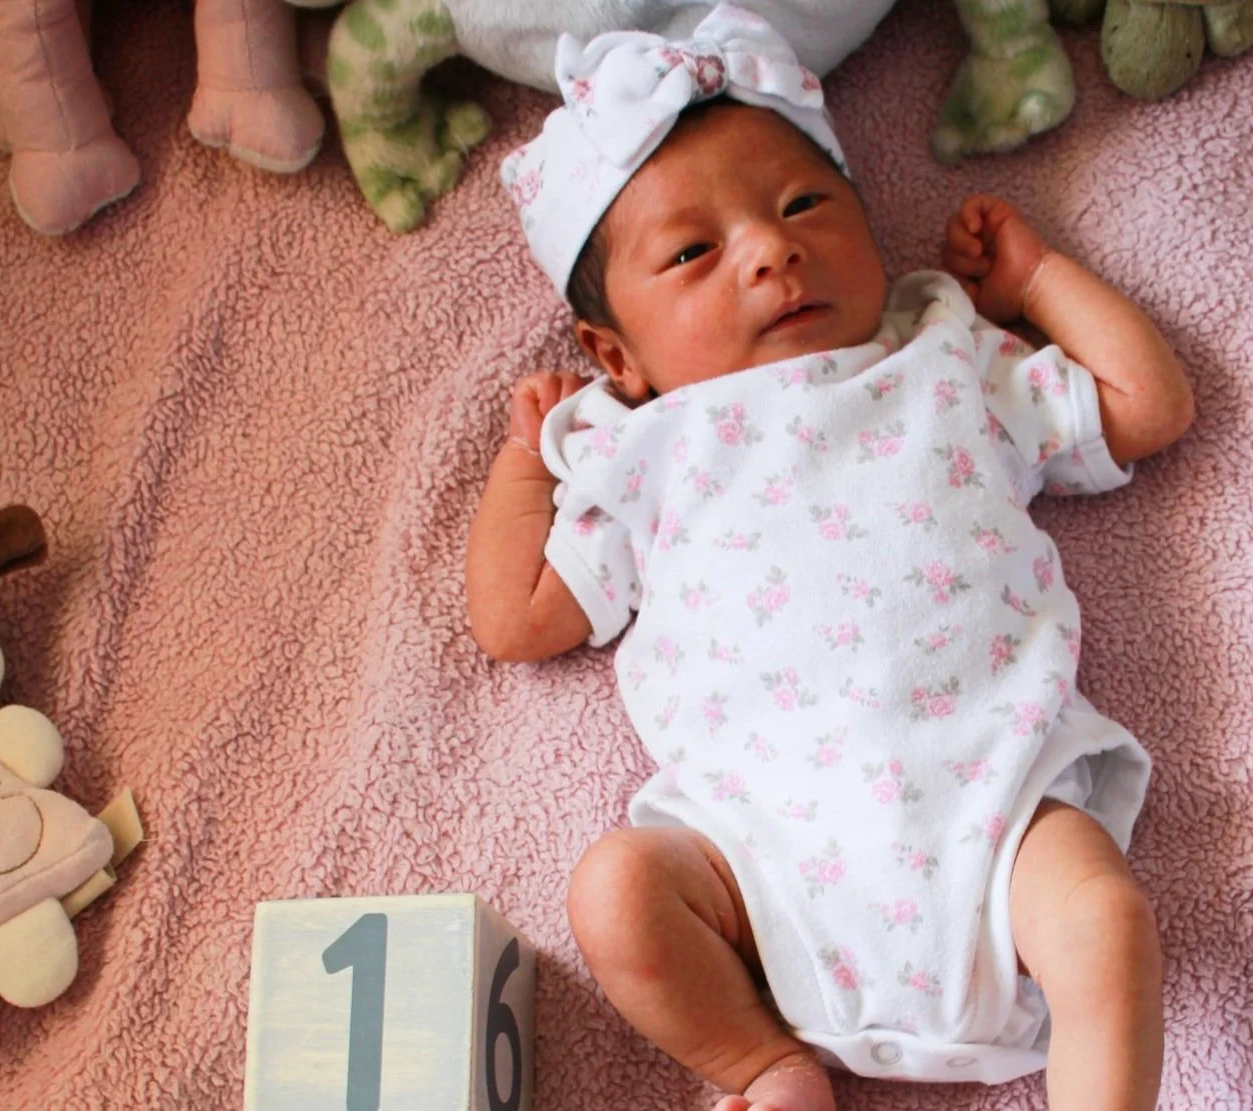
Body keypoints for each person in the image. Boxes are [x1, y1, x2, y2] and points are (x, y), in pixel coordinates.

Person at [470, 7, 1193, 1109]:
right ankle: (760, 1064)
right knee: (616, 891)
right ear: (617, 355)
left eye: (804, 204)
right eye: (693, 253)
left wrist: (1039, 278)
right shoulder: (640, 447)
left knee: (1102, 922)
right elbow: (517, 619)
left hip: (989, 800)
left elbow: (1149, 405)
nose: (771, 247)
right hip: (758, 857)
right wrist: (527, 468)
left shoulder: (939, 354)